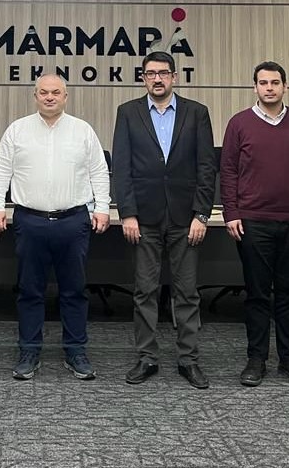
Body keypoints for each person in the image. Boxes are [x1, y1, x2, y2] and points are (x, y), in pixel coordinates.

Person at [0, 74, 110, 381]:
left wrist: (103, 207)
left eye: (56, 92)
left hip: (73, 221)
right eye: (44, 92)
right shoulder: (17, 130)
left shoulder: (82, 130)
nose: (50, 97)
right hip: (30, 221)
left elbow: (99, 171)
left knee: (74, 291)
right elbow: (1, 170)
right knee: (29, 291)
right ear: (35, 96)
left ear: (65, 97)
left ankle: (76, 352)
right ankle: (29, 352)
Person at [112, 51, 216, 389]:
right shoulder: (127, 112)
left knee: (187, 292)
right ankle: (147, 357)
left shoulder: (197, 113)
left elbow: (206, 167)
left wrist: (202, 214)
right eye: (151, 73)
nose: (157, 79)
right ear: (143, 77)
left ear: (174, 77)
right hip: (144, 218)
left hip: (186, 218)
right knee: (145, 291)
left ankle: (189, 359)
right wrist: (127, 213)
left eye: (163, 73)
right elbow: (122, 168)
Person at [220, 61, 289, 388]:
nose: (269, 88)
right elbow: (228, 171)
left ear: (285, 86)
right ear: (255, 87)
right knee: (256, 294)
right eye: (263, 83)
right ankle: (256, 359)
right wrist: (231, 212)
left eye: (275, 82)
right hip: (253, 222)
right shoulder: (239, 123)